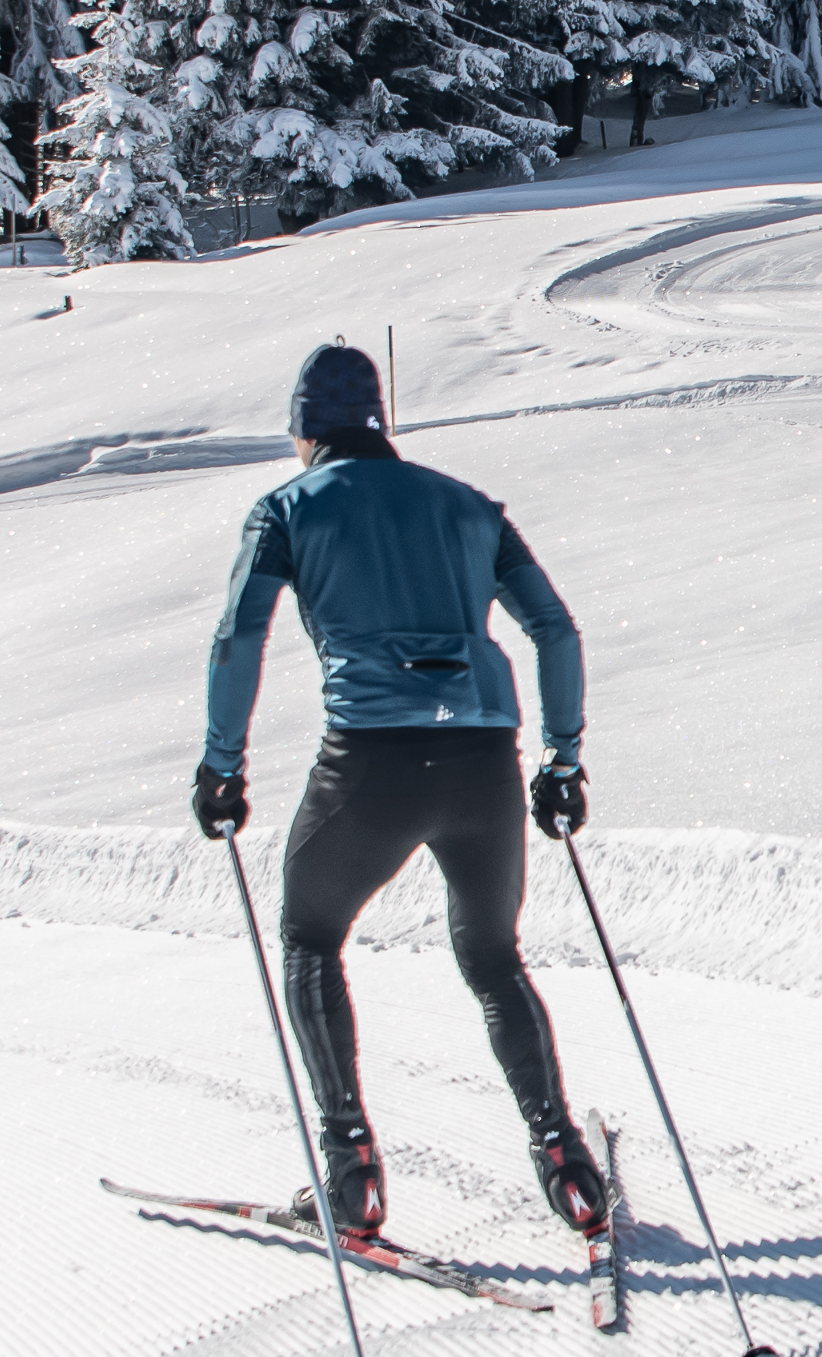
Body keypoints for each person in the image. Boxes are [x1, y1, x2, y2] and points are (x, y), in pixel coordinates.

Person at [190, 340, 612, 1245]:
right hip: (482, 765)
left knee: (308, 936)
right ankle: (564, 1158)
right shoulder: (470, 506)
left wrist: (223, 765)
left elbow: (239, 640)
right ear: (381, 421)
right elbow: (556, 632)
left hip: (368, 767)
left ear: (304, 429)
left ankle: (352, 1171)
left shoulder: (284, 510)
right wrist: (562, 759)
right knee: (494, 959)